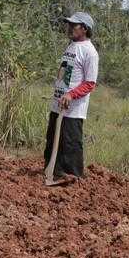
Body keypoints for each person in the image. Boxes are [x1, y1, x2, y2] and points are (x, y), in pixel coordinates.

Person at [43, 11, 100, 181]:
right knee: (53, 139)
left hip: (73, 108)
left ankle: (74, 179)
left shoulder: (90, 52)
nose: (69, 28)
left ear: (84, 29)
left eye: (73, 25)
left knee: (71, 143)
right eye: (69, 24)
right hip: (59, 103)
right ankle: (53, 172)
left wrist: (71, 94)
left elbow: (90, 83)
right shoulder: (71, 46)